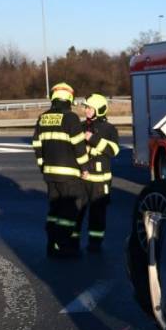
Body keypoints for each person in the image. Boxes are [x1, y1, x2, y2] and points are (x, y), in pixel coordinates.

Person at [32, 82, 89, 258]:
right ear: (69, 98)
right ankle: (63, 246)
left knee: (54, 210)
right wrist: (85, 168)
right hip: (69, 175)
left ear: (53, 96)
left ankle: (51, 244)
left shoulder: (42, 118)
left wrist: (43, 167)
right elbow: (79, 147)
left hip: (49, 174)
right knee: (69, 210)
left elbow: (37, 145)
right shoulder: (71, 118)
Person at [79, 93, 120, 251]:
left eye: (89, 107)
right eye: (86, 107)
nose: (86, 110)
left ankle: (95, 244)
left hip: (100, 181)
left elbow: (114, 150)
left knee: (97, 214)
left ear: (99, 109)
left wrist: (94, 139)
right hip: (82, 178)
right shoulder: (81, 126)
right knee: (78, 212)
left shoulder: (109, 129)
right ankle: (72, 243)